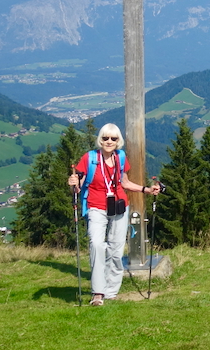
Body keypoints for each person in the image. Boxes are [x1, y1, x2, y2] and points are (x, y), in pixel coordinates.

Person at [67, 123, 160, 306]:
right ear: (100, 139)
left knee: (116, 250)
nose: (109, 141)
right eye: (105, 138)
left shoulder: (121, 157)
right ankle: (98, 293)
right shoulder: (90, 158)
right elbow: (78, 186)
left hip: (119, 206)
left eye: (113, 138)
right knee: (96, 245)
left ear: (118, 141)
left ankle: (111, 291)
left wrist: (145, 190)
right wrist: (72, 183)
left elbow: (124, 182)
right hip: (96, 206)